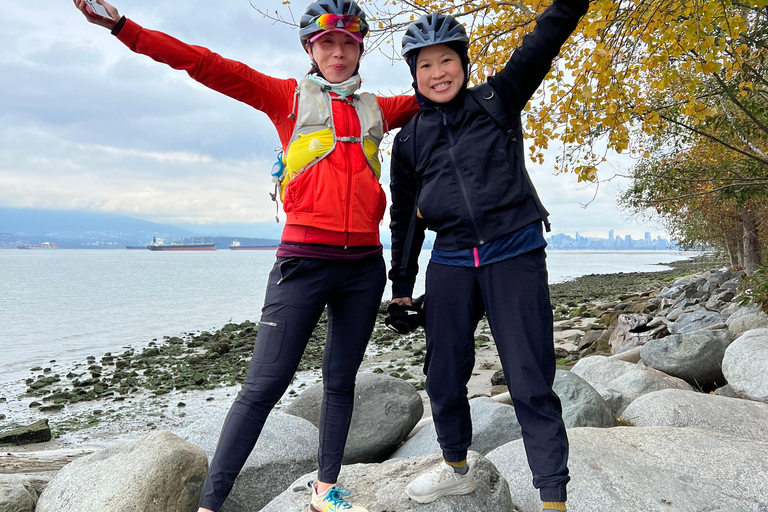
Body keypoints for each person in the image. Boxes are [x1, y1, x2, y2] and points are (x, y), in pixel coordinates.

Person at [73, 0, 419, 511]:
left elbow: (440, 94)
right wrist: (124, 29)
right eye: (328, 43)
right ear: (310, 48)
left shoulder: (378, 109)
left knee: (341, 380)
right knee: (263, 387)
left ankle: (326, 492)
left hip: (364, 268)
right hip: (303, 261)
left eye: (348, 43)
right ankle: (210, 505)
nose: (339, 53)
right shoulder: (287, 98)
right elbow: (207, 64)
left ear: (361, 48)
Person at [387, 1, 590, 511]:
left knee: (528, 377)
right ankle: (456, 465)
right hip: (452, 259)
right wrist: (402, 286)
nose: (437, 73)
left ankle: (552, 497)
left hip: (514, 251)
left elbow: (545, 40)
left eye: (446, 60)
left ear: (463, 62)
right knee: (443, 374)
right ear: (414, 74)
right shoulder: (409, 139)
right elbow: (405, 215)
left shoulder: (496, 100)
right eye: (425, 65)